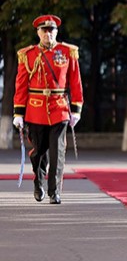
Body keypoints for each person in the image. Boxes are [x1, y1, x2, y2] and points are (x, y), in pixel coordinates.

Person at [13, 15, 83, 205]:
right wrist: (18, 113)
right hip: (35, 110)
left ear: (56, 32)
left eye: (51, 30)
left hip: (59, 108)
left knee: (57, 152)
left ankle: (54, 191)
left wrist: (76, 109)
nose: (48, 34)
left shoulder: (68, 52)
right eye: (44, 30)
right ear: (38, 32)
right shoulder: (27, 54)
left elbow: (75, 82)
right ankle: (38, 181)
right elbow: (21, 86)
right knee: (38, 152)